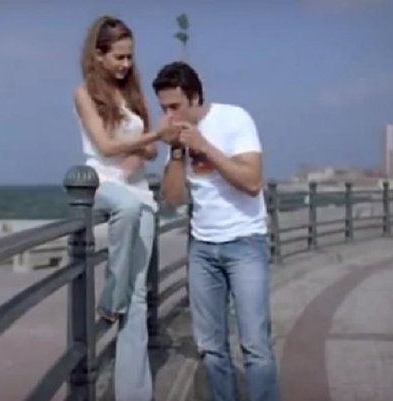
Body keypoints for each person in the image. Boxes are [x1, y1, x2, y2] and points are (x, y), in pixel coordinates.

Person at [153, 61, 280, 401]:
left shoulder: (234, 118)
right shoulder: (178, 138)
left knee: (255, 345)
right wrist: (176, 151)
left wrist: (205, 146)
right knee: (210, 347)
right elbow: (173, 199)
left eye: (175, 106)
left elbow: (252, 182)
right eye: (163, 109)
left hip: (245, 242)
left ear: (194, 97)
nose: (169, 116)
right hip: (203, 248)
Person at [74, 15, 175, 401]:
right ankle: (110, 298)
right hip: (100, 184)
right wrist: (151, 138)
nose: (126, 64)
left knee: (139, 298)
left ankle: (134, 394)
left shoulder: (133, 95)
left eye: (130, 56)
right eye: (119, 57)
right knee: (127, 211)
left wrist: (144, 147)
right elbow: (105, 146)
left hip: (136, 187)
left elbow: (150, 149)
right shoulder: (85, 94)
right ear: (98, 55)